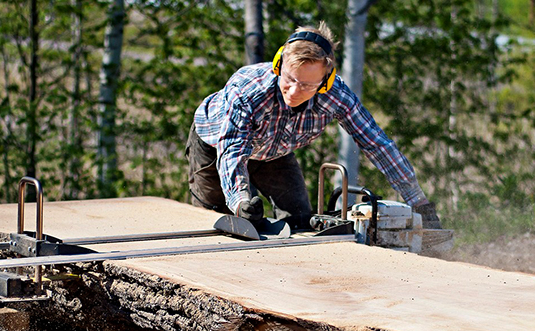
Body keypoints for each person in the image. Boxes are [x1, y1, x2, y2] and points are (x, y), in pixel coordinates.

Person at [185, 21, 441, 229]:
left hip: (275, 153)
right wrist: (240, 200)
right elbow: (232, 153)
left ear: (325, 81)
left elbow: (377, 144)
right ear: (279, 64)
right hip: (215, 147)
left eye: (307, 85)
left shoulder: (336, 97)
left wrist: (417, 201)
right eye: (290, 79)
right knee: (221, 223)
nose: (294, 91)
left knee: (299, 219)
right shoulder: (247, 90)